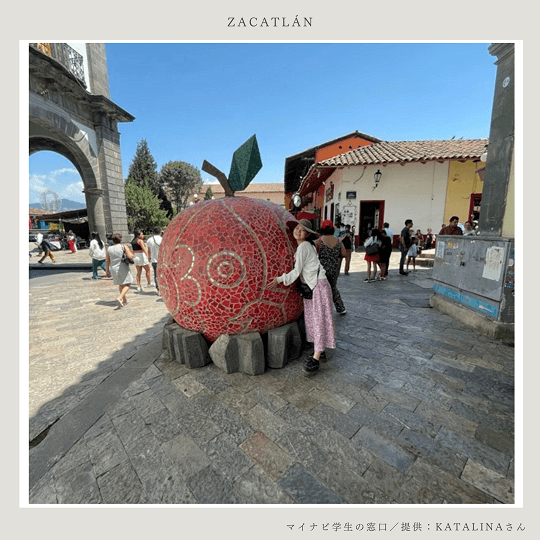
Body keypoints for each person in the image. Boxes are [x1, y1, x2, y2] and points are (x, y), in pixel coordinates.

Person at [268, 219, 335, 375]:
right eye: (297, 228)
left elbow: (296, 272)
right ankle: (320, 349)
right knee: (314, 320)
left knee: (317, 320)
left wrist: (279, 279)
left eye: (302, 230)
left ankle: (316, 359)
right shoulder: (305, 246)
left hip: (318, 287)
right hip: (315, 287)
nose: (298, 231)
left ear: (307, 234)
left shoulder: (304, 246)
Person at [315, 220, 347, 315]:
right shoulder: (338, 241)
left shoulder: (319, 241)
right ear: (333, 229)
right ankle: (341, 308)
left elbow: (314, 254)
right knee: (333, 287)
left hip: (322, 268)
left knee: (321, 288)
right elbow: (344, 253)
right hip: (334, 268)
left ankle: (323, 310)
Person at [105, 233, 134, 308]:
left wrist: (107, 270)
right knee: (128, 284)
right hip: (122, 266)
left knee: (121, 284)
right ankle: (120, 297)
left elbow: (107, 260)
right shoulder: (123, 246)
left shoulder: (109, 248)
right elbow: (130, 256)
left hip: (113, 268)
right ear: (120, 239)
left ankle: (124, 301)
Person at [147, 226, 163, 295]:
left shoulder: (149, 240)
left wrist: (149, 258)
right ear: (160, 232)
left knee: (156, 275)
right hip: (162, 261)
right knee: (162, 275)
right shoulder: (162, 239)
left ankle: (158, 289)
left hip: (154, 260)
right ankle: (163, 289)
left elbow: (149, 251)